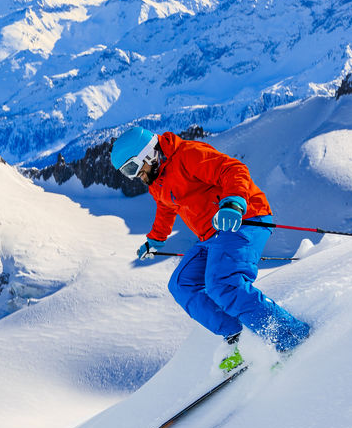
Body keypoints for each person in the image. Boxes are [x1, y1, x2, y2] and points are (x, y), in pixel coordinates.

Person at [110, 125, 310, 370]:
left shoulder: (187, 154)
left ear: (147, 154)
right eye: (127, 173)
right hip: (211, 234)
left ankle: (290, 337)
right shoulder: (157, 180)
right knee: (182, 285)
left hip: (245, 219)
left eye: (133, 168)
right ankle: (240, 336)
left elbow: (233, 169)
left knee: (223, 284)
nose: (135, 176)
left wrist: (233, 202)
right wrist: (155, 239)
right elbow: (166, 207)